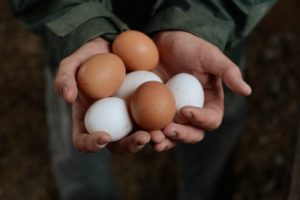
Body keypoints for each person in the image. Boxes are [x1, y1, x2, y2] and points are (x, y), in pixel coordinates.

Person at [9, 0, 277, 199]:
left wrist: (201, 20)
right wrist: (82, 26)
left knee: (207, 117)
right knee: (81, 103)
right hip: (78, 40)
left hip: (205, 34)